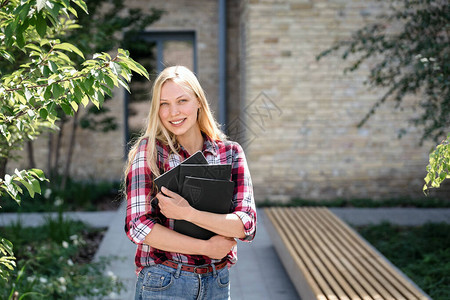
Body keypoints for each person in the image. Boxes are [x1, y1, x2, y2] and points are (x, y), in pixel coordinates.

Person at [124, 65, 257, 300]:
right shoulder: (150, 152)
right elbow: (138, 226)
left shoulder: (230, 153)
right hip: (165, 282)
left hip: (218, 282)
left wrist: (188, 213)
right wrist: (205, 248)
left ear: (198, 102)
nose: (173, 112)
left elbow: (245, 224)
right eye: (164, 104)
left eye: (182, 100)